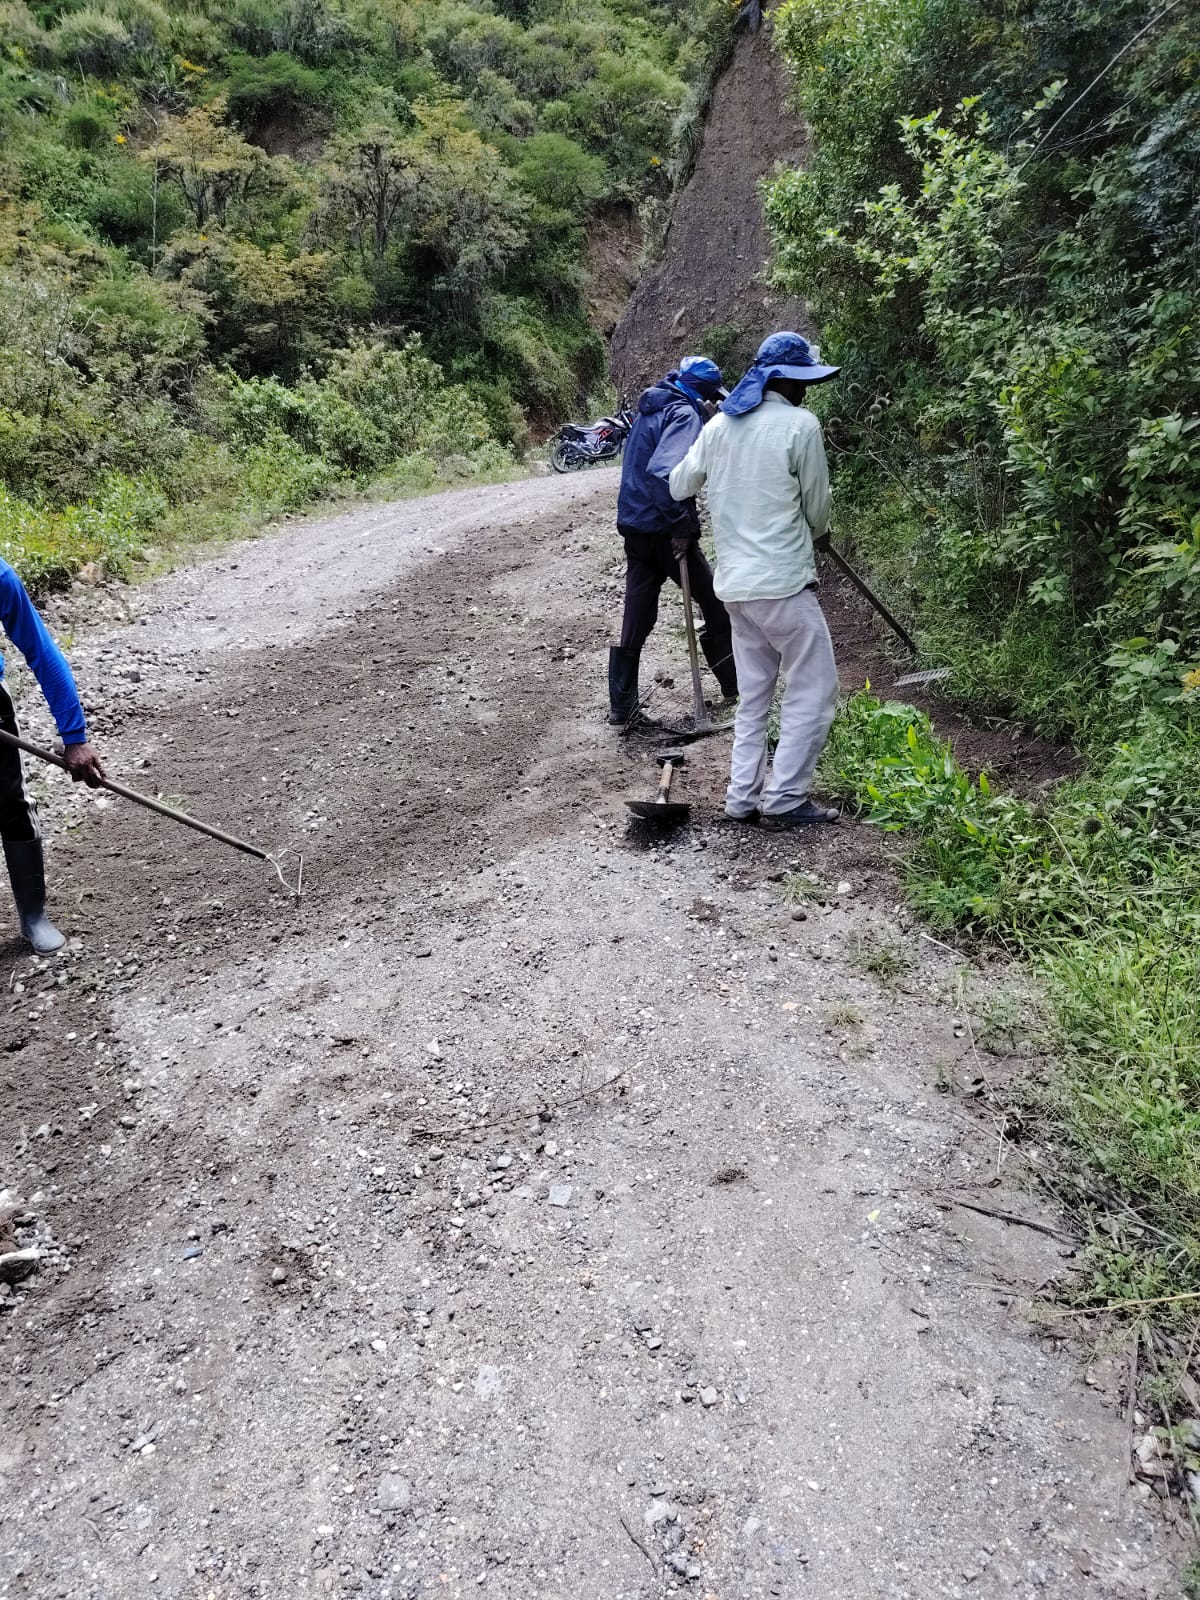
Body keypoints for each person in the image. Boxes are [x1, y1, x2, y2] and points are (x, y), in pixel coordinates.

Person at [668, 331, 841, 827]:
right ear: (783, 380)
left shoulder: (720, 425)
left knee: (754, 696)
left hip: (737, 592)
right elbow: (817, 507)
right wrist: (818, 532)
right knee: (815, 689)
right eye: (802, 381)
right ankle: (785, 799)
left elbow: (679, 484)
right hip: (782, 585)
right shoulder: (800, 425)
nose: (806, 390)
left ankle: (741, 798)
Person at [608, 355, 738, 728]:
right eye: (712, 396)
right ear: (703, 392)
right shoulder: (683, 414)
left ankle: (622, 707)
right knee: (715, 603)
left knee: (637, 615)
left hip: (635, 527)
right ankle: (735, 687)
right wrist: (681, 527)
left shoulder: (650, 408)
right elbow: (665, 472)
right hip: (664, 528)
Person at [0, 560, 105, 951]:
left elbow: (42, 652)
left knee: (11, 803)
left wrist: (74, 737)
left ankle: (33, 916)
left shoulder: (0, 578)